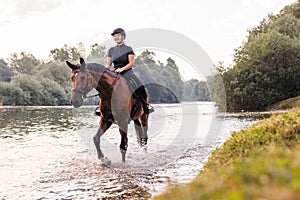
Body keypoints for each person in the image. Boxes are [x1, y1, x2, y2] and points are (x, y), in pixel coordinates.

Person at [106, 28, 153, 115]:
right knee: (104, 86)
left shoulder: (128, 49)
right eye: (115, 36)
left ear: (123, 37)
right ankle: (100, 107)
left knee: (141, 87)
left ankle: (146, 106)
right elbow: (108, 64)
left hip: (127, 73)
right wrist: (105, 72)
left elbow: (131, 63)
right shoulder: (111, 50)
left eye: (118, 35)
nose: (116, 37)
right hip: (115, 73)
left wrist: (122, 69)